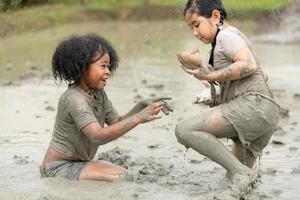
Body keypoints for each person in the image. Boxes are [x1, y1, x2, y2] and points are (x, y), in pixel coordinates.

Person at [175, 0, 279, 195]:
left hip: (253, 107)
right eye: (190, 28)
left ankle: (243, 173)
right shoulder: (230, 38)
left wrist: (209, 75)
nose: (195, 33)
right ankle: (243, 175)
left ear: (215, 16)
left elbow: (249, 65)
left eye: (196, 25)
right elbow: (262, 76)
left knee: (183, 129)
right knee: (237, 184)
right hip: (266, 113)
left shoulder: (226, 36)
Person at [40, 34, 172, 182]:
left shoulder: (98, 94)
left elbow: (116, 122)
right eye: (103, 66)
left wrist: (141, 106)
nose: (108, 71)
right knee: (121, 177)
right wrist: (138, 117)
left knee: (123, 175)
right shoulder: (74, 99)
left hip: (80, 162)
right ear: (82, 68)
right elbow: (97, 136)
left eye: (109, 66)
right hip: (58, 167)